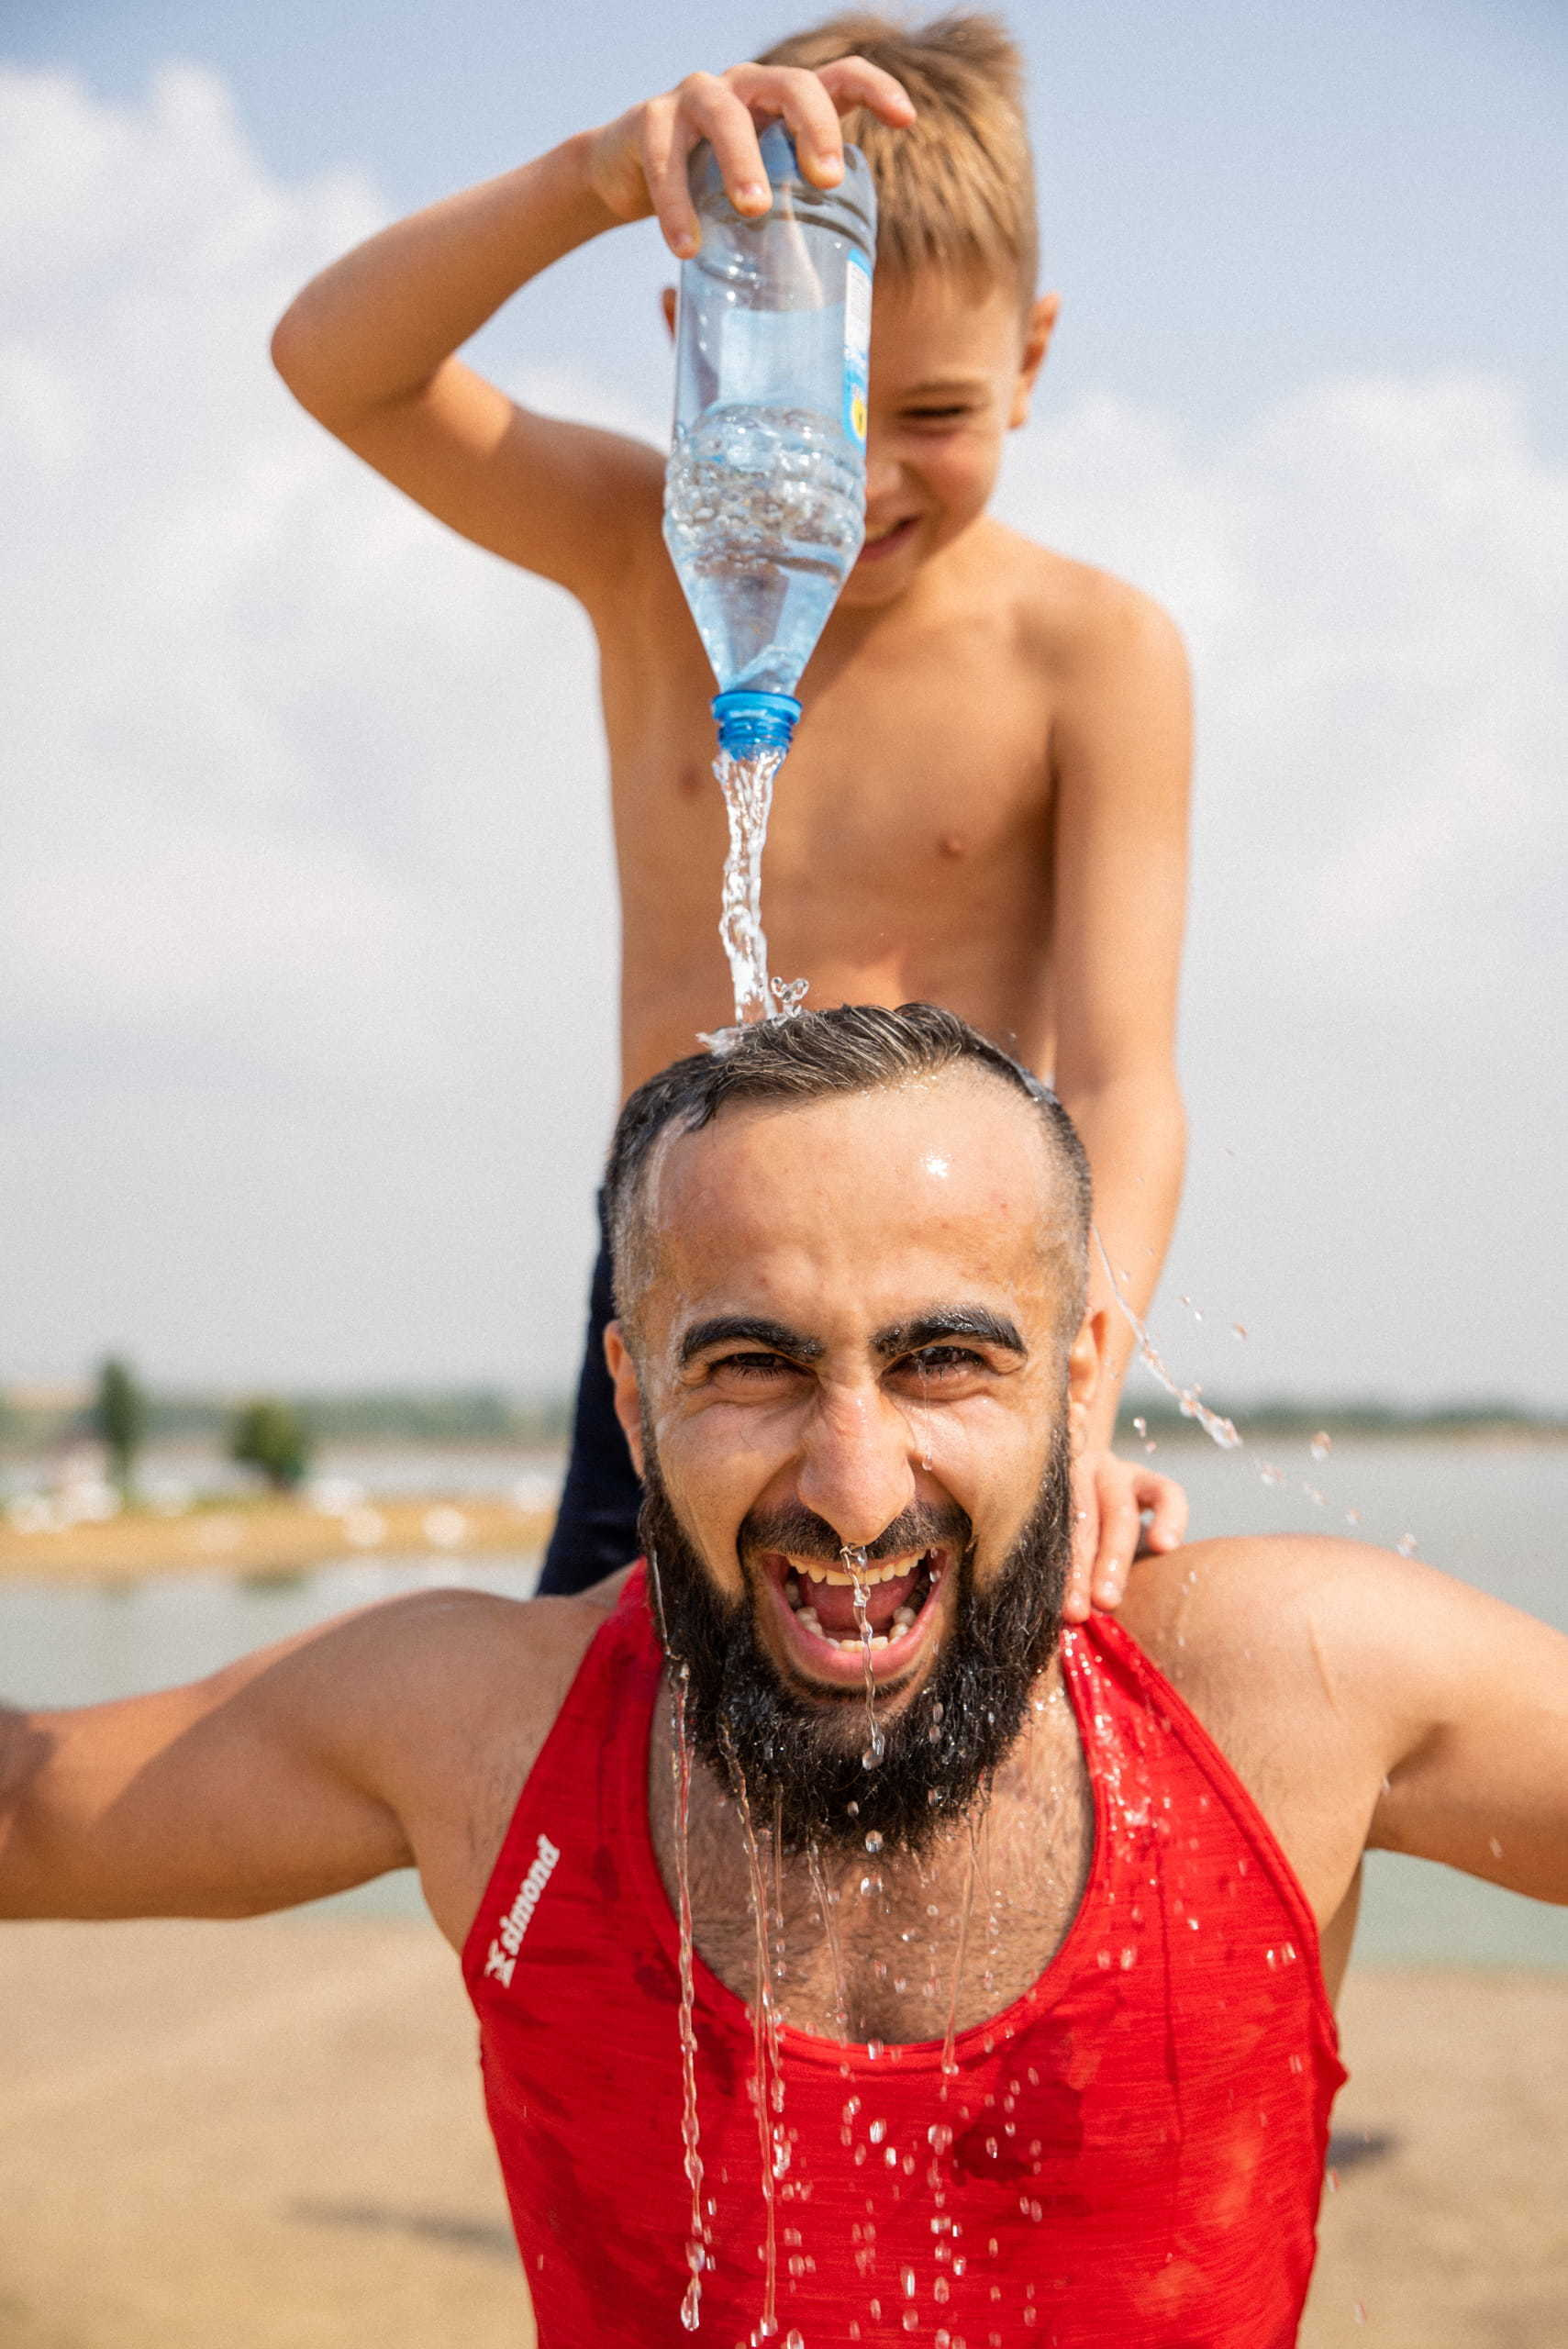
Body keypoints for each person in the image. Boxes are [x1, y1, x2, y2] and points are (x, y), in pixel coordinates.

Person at [6, 1004, 1566, 2347]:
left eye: (944, 1358)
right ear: (629, 1396)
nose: (855, 1485)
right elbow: (35, 1812)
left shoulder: (1285, 1690)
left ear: (1085, 1378)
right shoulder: (480, 1725)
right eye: (750, 1365)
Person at [268, 13, 1193, 1608]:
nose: (865, 479)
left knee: (965, 1769)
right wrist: (589, 178)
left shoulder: (1089, 653)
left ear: (1029, 364)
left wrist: (1069, 1400)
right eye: (813, 404)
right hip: (686, 1293)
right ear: (697, 339)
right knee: (595, 1736)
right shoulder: (644, 556)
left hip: (963, 1324)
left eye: (932, 415)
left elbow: (1122, 1077)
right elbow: (336, 364)